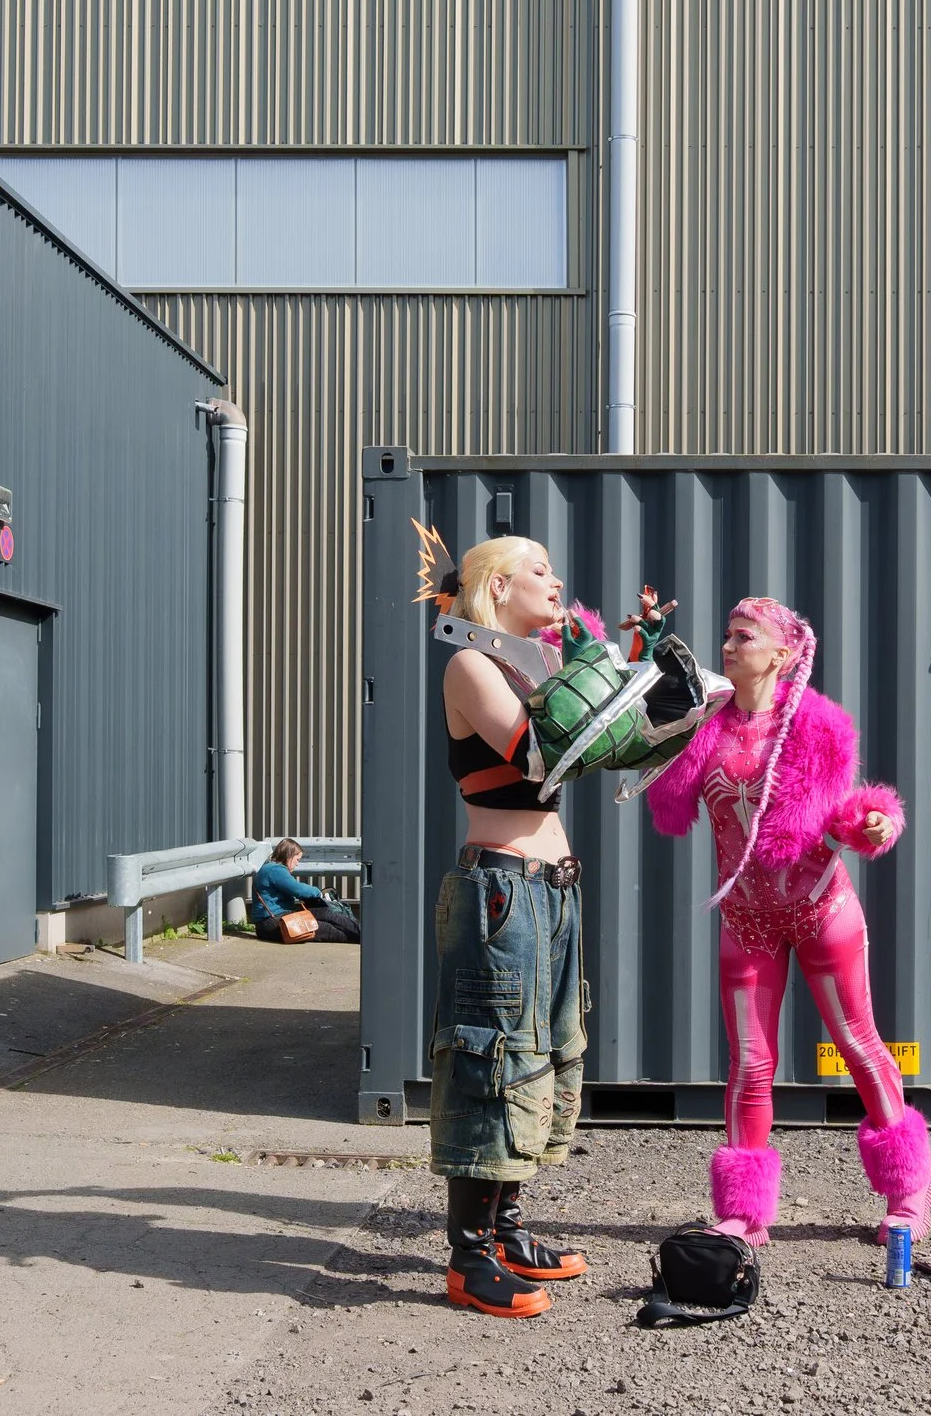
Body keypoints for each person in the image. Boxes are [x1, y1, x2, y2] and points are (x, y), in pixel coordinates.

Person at [644, 596, 931, 1248]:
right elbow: (664, 798)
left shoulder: (816, 724)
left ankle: (910, 1186)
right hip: (746, 919)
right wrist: (657, 698)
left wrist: (877, 820)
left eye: (743, 636)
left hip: (821, 911)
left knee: (858, 1043)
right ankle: (744, 1212)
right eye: (726, 635)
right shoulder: (704, 720)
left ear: (782, 654)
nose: (727, 645)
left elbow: (844, 814)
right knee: (750, 1062)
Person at [422, 535, 592, 1319]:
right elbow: (538, 751)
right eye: (539, 570)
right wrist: (610, 696)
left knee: (541, 1056)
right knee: (492, 1058)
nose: (555, 582)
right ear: (496, 585)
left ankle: (507, 1228)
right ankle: (469, 1256)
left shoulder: (530, 667)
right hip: (502, 892)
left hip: (550, 892)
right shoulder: (470, 665)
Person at [247, 838, 359, 944]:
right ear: (289, 856)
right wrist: (318, 892)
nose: (297, 863)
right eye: (297, 859)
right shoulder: (275, 870)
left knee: (325, 914)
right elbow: (298, 889)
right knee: (325, 929)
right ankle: (361, 937)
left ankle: (361, 933)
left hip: (278, 919)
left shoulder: (269, 868)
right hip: (272, 924)